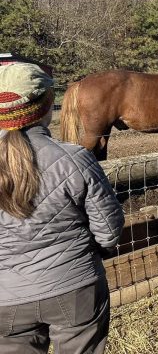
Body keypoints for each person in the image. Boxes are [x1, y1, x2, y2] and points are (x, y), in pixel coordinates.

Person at [0, 63, 124, 354]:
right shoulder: (74, 159)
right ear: (46, 106)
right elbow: (109, 230)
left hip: (5, 299)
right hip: (76, 289)